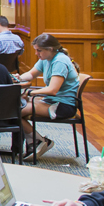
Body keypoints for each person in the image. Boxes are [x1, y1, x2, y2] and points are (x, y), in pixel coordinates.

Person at [14, 32, 76, 160]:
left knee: (15, 111)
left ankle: (38, 141)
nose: (37, 54)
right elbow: (31, 74)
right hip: (52, 101)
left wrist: (30, 92)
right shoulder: (47, 58)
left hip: (63, 105)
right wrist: (18, 78)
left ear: (50, 49)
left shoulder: (60, 61)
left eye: (39, 51)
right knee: (16, 108)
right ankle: (36, 141)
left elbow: (53, 90)